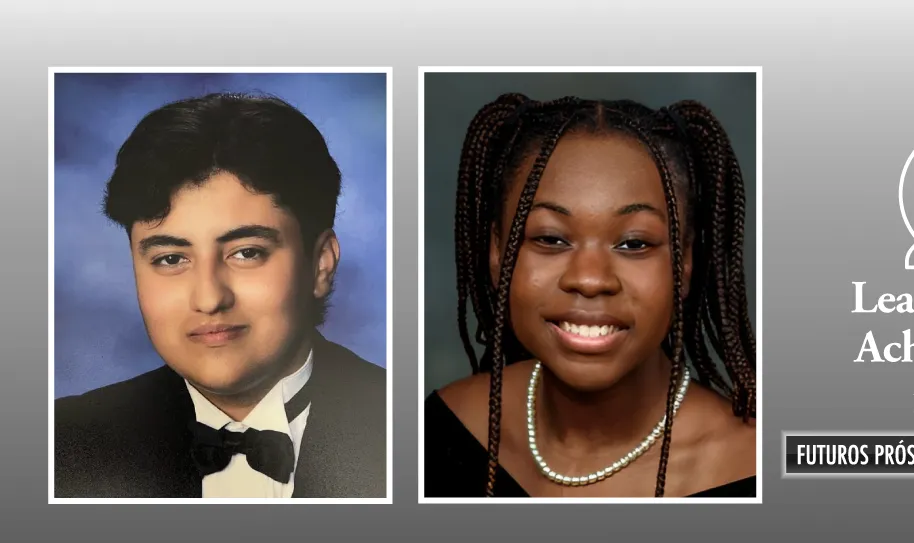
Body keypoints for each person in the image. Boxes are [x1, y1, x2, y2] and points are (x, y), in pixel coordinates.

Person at [54, 93, 387, 499]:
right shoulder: (60, 447)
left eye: (247, 253)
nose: (209, 298)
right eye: (171, 258)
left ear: (320, 264)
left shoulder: (414, 430)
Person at [424, 94, 757, 498]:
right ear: (497, 253)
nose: (590, 279)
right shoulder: (444, 426)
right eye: (550, 238)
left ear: (685, 263)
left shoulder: (754, 468)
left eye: (634, 244)